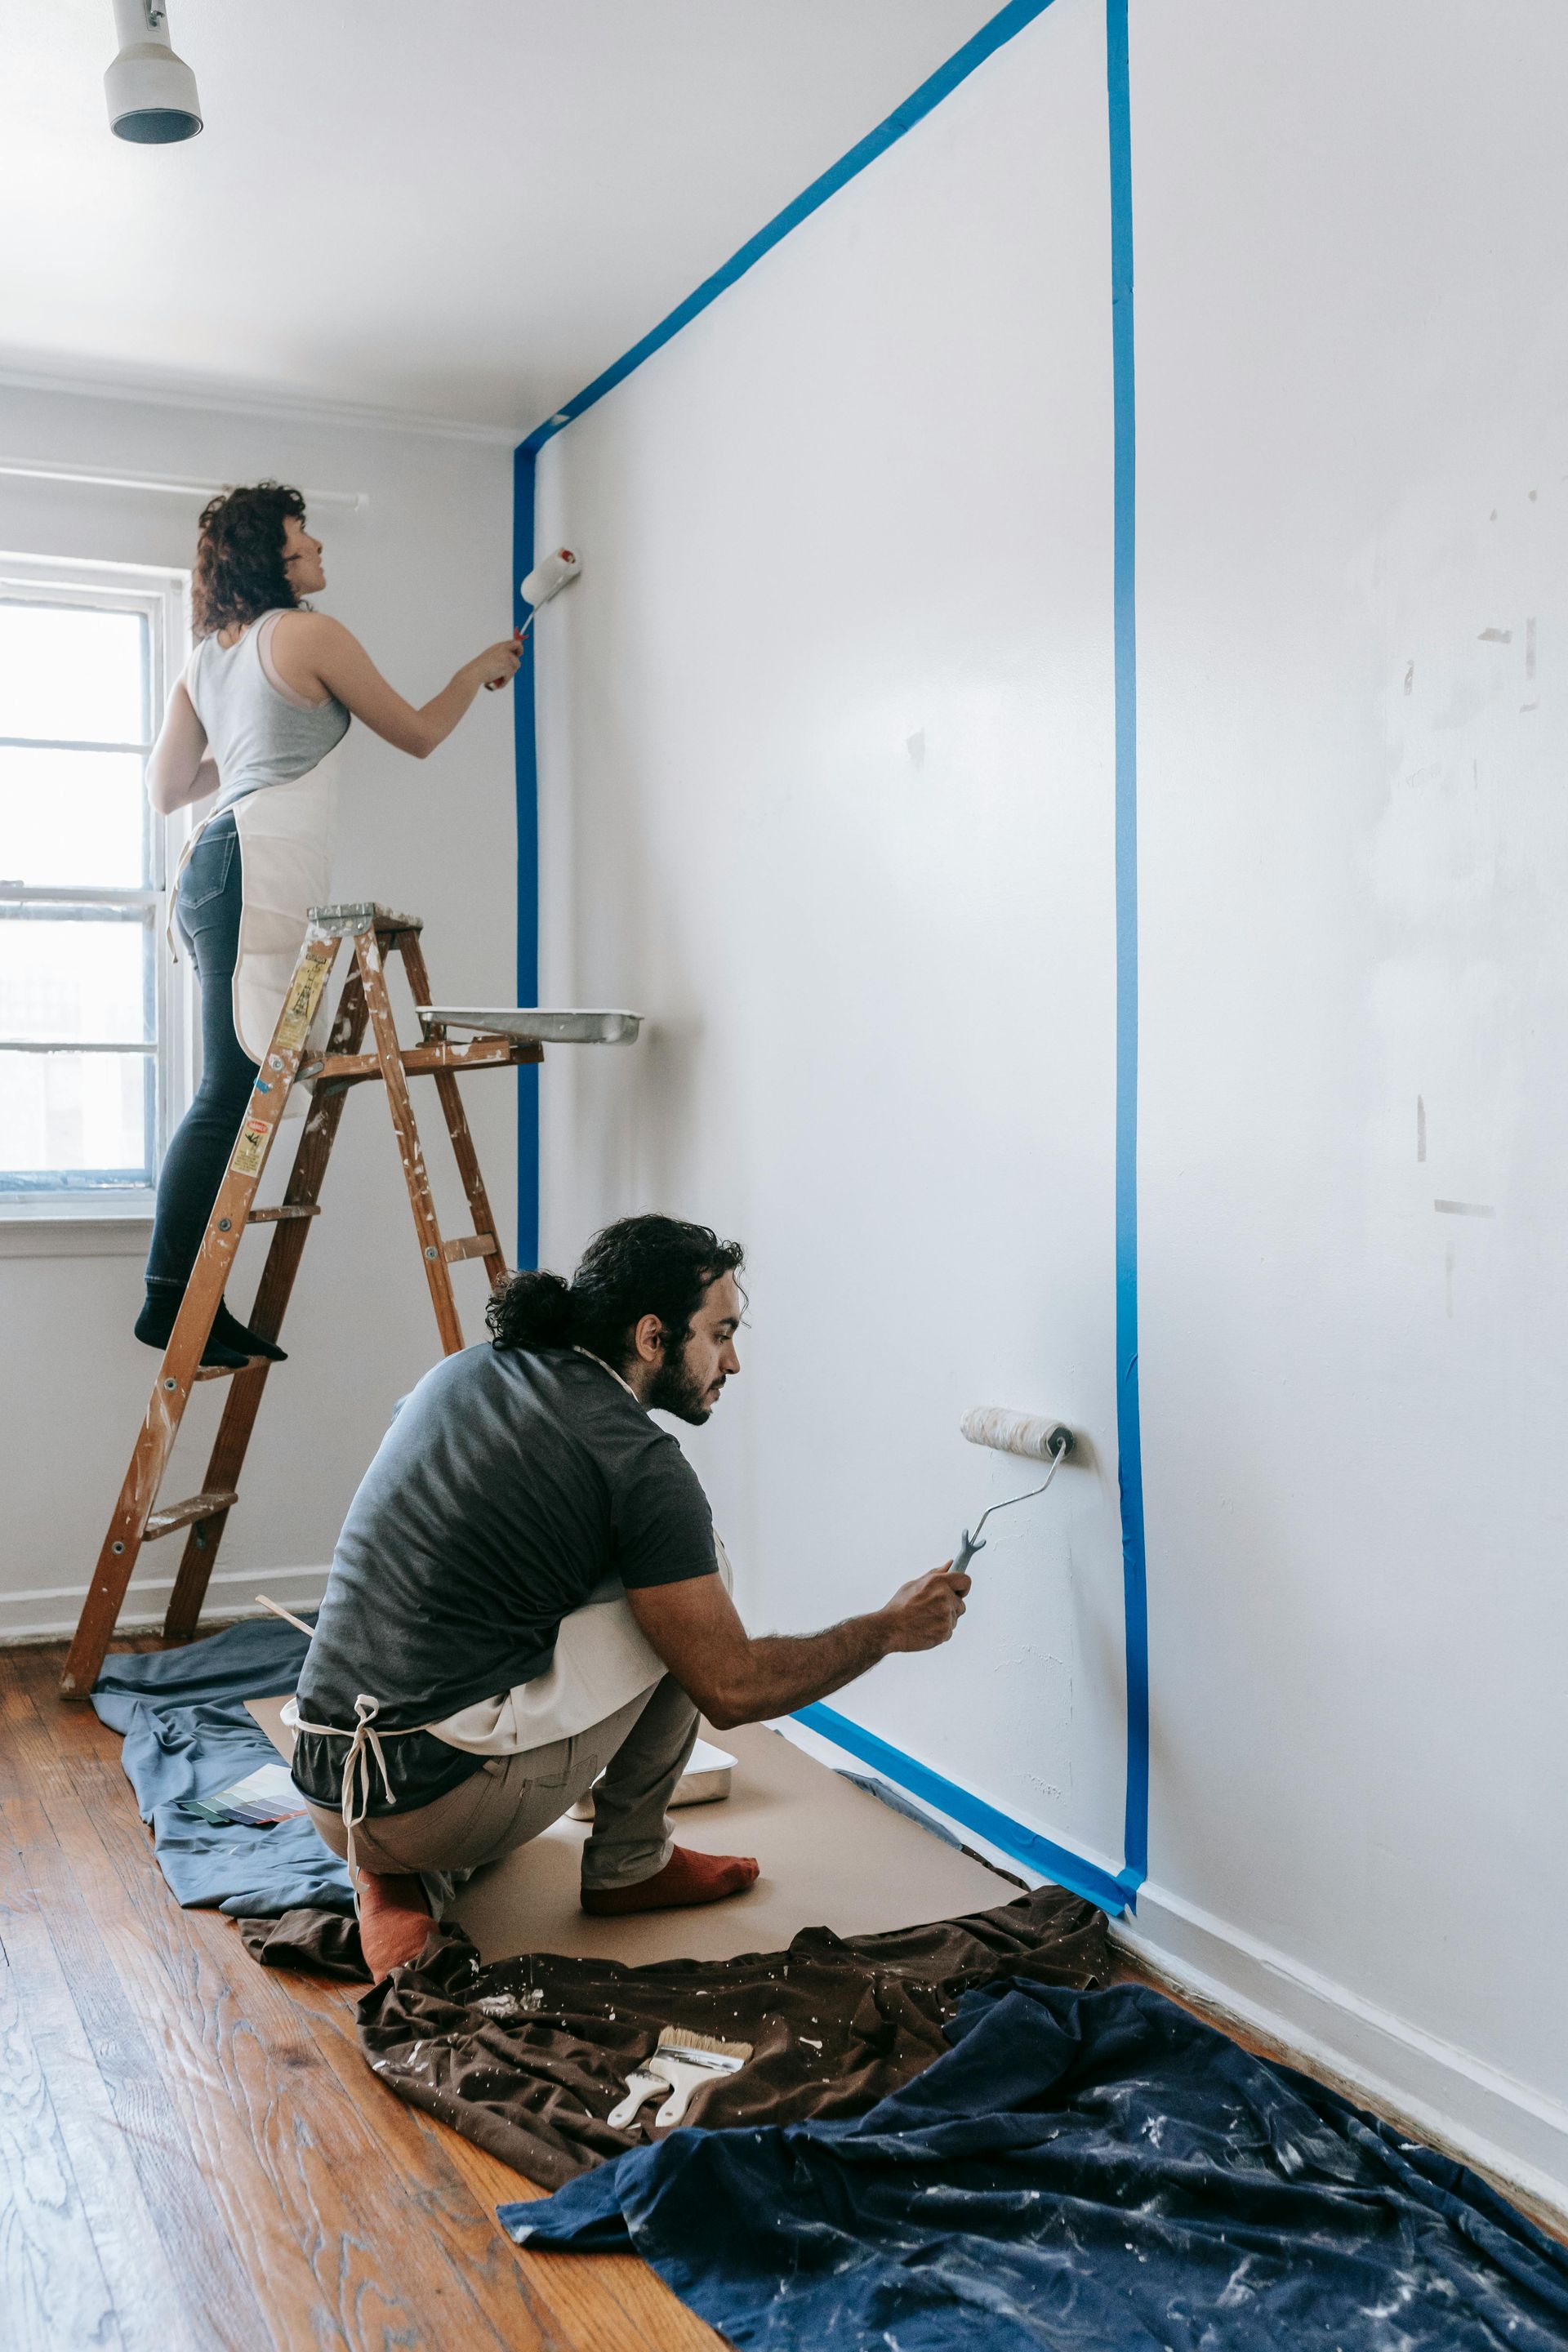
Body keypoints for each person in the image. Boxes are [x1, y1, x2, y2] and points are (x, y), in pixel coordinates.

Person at [287, 1214, 972, 1977]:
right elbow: (732, 1687)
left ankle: (398, 1883)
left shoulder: (464, 1371)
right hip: (430, 1801)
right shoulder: (641, 1463)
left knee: (633, 1579)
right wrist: (886, 1629)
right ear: (652, 1338)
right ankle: (631, 1862)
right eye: (721, 1333)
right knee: (695, 1582)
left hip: (324, 1775)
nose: (734, 1361)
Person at [139, 481, 522, 1367]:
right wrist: (475, 673)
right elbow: (419, 734)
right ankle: (171, 1303)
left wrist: (241, 755)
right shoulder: (308, 634)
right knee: (229, 1094)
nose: (318, 549)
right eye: (302, 534)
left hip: (214, 869)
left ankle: (191, 1302)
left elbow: (166, 792)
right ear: (272, 555)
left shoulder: (206, 658)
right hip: (251, 868)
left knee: (235, 1090)